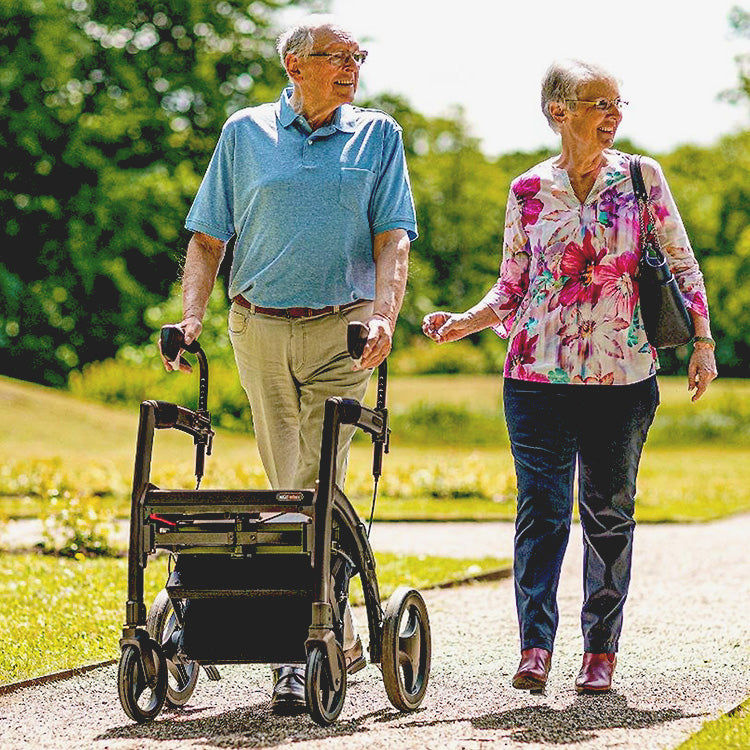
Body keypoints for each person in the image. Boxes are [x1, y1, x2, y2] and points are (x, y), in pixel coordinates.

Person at [422, 59, 717, 695]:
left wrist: (702, 340)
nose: (614, 115)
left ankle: (600, 652)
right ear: (559, 111)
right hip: (534, 377)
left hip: (624, 377)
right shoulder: (528, 188)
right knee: (542, 511)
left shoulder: (641, 177)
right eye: (598, 104)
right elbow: (512, 283)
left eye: (617, 104)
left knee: (608, 514)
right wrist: (464, 321)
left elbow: (681, 261)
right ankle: (535, 647)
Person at [160, 15, 417, 713]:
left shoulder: (378, 135)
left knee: (309, 486)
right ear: (294, 64)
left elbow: (393, 238)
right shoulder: (243, 134)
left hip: (343, 332)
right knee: (288, 488)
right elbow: (208, 238)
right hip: (259, 329)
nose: (352, 67)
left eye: (358, 56)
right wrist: (192, 319)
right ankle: (338, 631)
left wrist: (386, 315)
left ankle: (298, 654)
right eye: (338, 57)